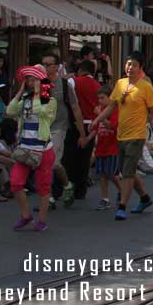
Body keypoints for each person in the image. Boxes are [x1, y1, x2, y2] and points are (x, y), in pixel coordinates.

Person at [90, 52, 153, 220]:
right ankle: (144, 198)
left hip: (137, 136)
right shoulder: (120, 84)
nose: (130, 68)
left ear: (140, 68)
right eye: (128, 64)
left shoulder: (145, 87)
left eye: (134, 65)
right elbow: (111, 106)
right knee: (126, 170)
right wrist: (97, 120)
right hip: (121, 135)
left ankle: (122, 206)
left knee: (127, 173)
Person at [6, 66, 57, 231]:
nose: (30, 82)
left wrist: (38, 93)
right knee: (15, 183)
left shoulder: (50, 100)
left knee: (43, 187)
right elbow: (10, 111)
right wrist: (20, 92)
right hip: (25, 149)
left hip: (43, 150)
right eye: (28, 79)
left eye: (34, 79)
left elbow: (40, 111)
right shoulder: (26, 99)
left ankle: (41, 220)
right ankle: (26, 215)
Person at [41, 52, 86, 209]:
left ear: (56, 67)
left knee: (52, 162)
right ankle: (62, 188)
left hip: (59, 127)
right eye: (43, 64)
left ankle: (54, 193)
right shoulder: (41, 84)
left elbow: (75, 108)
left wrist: (82, 133)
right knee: (44, 162)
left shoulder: (64, 85)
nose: (45, 67)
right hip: (43, 127)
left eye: (48, 64)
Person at [67, 59, 100, 200]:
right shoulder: (98, 86)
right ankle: (81, 190)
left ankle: (70, 185)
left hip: (76, 122)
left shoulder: (73, 82)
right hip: (92, 123)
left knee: (71, 156)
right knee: (85, 158)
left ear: (80, 70)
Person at [83, 90, 119, 210]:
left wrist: (100, 116)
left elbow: (111, 126)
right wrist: (88, 138)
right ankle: (105, 198)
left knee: (111, 174)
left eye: (103, 98)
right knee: (102, 174)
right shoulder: (99, 111)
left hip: (112, 147)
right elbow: (95, 128)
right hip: (101, 147)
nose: (100, 101)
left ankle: (122, 190)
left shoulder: (114, 111)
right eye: (98, 98)